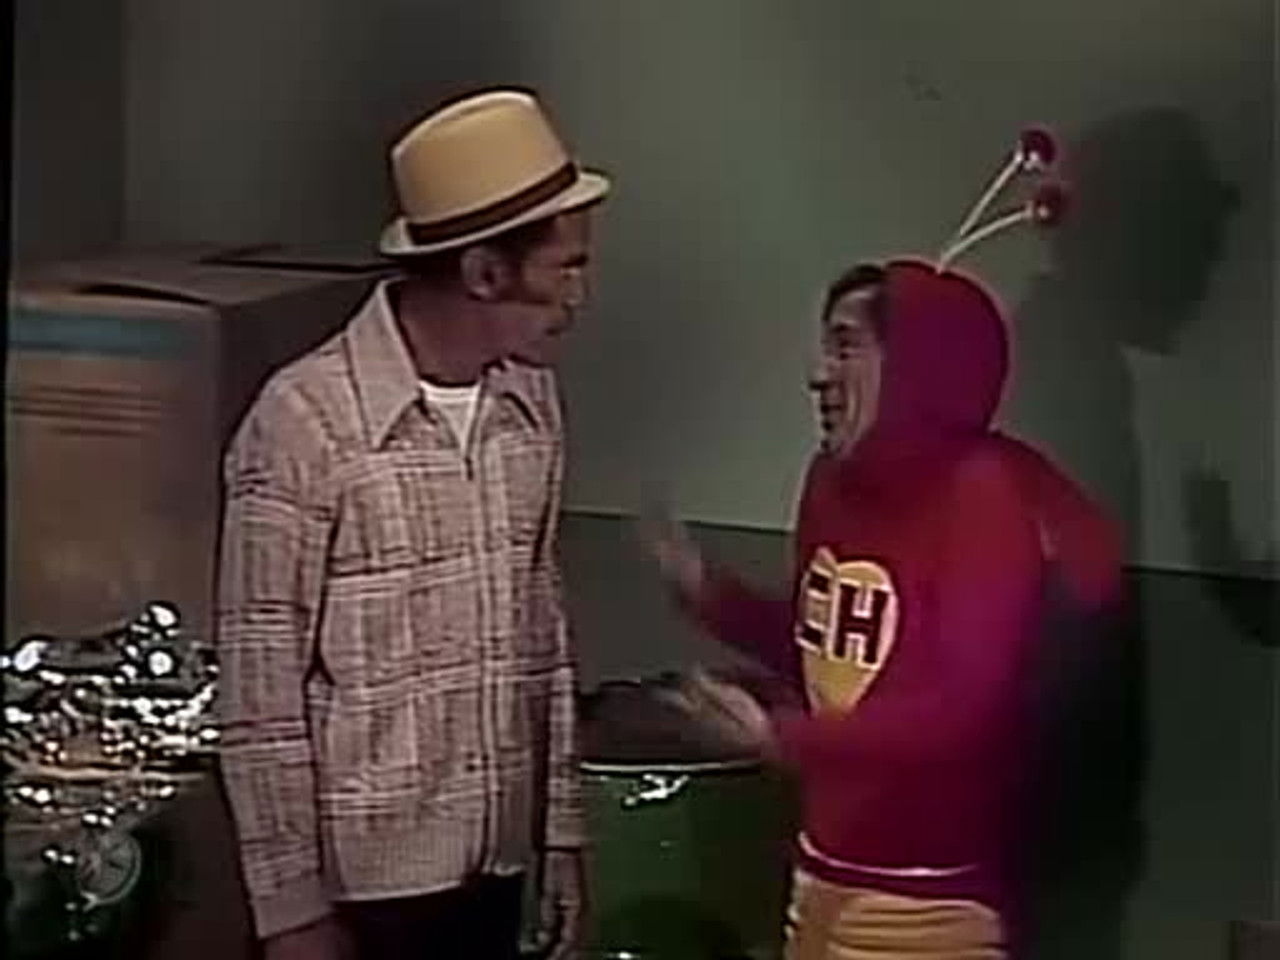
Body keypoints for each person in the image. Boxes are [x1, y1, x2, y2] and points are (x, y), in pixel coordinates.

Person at [215, 88, 610, 960]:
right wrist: (292, 915)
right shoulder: (305, 422)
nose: (580, 295)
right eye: (567, 267)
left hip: (496, 873)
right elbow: (260, 690)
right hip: (366, 894)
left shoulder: (530, 404)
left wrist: (561, 837)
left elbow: (544, 634)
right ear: (484, 272)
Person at [644, 253, 1123, 959]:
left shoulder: (982, 493)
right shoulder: (830, 481)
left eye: (845, 346)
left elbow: (964, 710)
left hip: (927, 903)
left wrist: (786, 738)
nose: (817, 375)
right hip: (819, 876)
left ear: (914, 370)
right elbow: (834, 650)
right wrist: (713, 598)